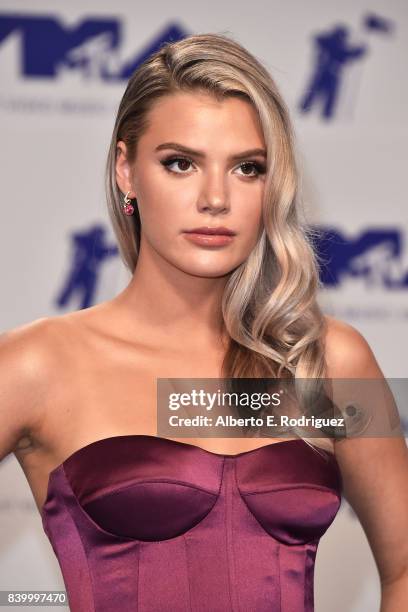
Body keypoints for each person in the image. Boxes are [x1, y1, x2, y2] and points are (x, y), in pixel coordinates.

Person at [0, 32, 407, 612]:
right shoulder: (37, 364)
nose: (215, 198)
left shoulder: (330, 361)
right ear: (126, 171)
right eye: (180, 163)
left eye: (247, 168)